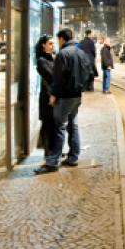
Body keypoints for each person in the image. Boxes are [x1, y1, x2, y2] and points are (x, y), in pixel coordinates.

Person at [34, 28, 92, 174]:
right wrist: (81, 88)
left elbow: (58, 79)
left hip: (64, 96)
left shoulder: (62, 54)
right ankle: (73, 157)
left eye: (56, 41)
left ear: (62, 39)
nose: (55, 45)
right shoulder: (80, 52)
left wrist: (54, 94)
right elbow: (89, 72)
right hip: (76, 96)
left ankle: (53, 161)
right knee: (73, 125)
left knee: (59, 127)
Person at [35, 35, 56, 157]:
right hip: (47, 98)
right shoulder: (41, 60)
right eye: (50, 43)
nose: (52, 46)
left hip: (53, 96)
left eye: (53, 44)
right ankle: (49, 153)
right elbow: (52, 77)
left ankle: (53, 151)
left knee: (52, 125)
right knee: (48, 125)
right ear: (43, 45)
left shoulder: (51, 58)